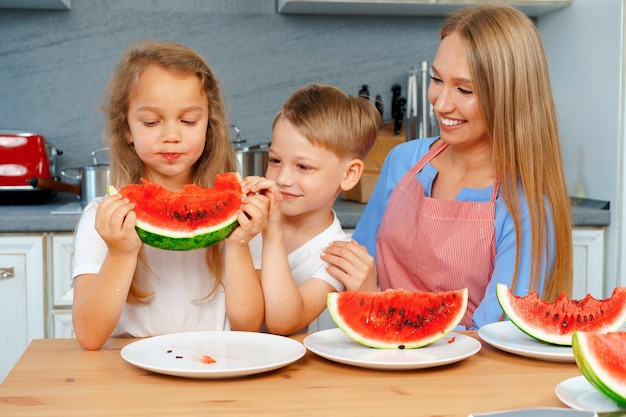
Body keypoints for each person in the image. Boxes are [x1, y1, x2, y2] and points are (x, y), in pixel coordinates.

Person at [322, 5, 573, 330]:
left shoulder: (526, 208)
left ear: (509, 98)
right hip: (378, 362)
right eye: (437, 79)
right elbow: (352, 272)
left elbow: (493, 338)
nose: (441, 103)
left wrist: (378, 303)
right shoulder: (403, 162)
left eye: (464, 89)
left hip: (469, 379)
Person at [71, 40, 268, 350]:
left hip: (215, 369)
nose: (172, 135)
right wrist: (120, 254)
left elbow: (248, 326)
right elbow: (89, 336)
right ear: (127, 128)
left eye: (189, 121)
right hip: (131, 376)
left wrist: (240, 244)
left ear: (209, 126)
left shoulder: (238, 215)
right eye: (151, 122)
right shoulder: (105, 218)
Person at [230, 84, 381, 335]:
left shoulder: (334, 255)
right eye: (275, 160)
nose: (284, 178)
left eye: (303, 167)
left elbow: (284, 321)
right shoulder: (247, 213)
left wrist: (272, 233)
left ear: (349, 174)